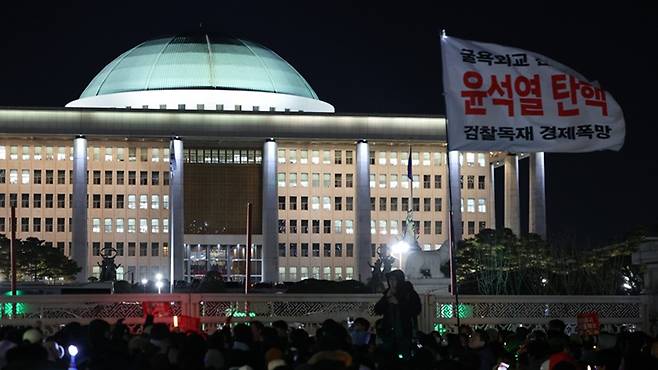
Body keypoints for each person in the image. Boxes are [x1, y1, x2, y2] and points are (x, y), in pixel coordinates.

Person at [373, 269, 421, 360]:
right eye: (390, 280)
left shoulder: (409, 293)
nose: (391, 282)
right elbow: (377, 310)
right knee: (388, 357)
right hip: (388, 332)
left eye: (394, 280)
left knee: (404, 356)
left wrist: (398, 303)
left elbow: (416, 309)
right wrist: (386, 297)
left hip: (404, 331)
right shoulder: (388, 293)